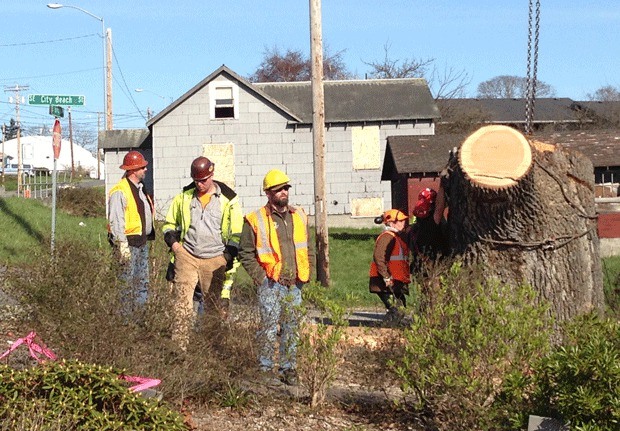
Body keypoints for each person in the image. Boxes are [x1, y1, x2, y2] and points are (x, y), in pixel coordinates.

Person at [239, 169, 314, 386]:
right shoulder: (255, 219)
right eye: (278, 189)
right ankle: (264, 369)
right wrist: (261, 278)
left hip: (295, 284)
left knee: (292, 328)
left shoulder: (298, 215)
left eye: (285, 188)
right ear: (268, 193)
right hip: (271, 283)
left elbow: (307, 247)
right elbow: (245, 253)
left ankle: (288, 369)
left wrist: (306, 273)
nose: (283, 192)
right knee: (268, 327)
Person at [162, 156, 243, 352]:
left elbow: (237, 233)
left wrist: (226, 256)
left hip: (215, 259)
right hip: (187, 256)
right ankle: (178, 348)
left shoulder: (228, 199)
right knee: (181, 303)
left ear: (212, 175)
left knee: (213, 305)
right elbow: (169, 225)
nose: (200, 184)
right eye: (197, 180)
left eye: (204, 180)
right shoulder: (184, 197)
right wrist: (176, 248)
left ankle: (211, 347)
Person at [107, 150, 155, 316]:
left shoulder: (140, 188)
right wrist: (122, 246)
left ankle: (140, 319)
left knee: (142, 284)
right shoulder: (120, 191)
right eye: (142, 167)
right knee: (126, 286)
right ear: (133, 170)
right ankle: (125, 323)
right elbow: (116, 221)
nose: (146, 170)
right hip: (128, 245)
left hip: (141, 244)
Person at [369, 209, 411, 325]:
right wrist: (386, 277)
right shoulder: (387, 237)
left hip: (394, 282)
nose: (403, 223)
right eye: (400, 221)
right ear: (392, 223)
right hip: (386, 282)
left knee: (399, 310)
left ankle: (389, 332)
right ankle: (387, 333)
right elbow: (379, 257)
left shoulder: (395, 237)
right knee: (397, 310)